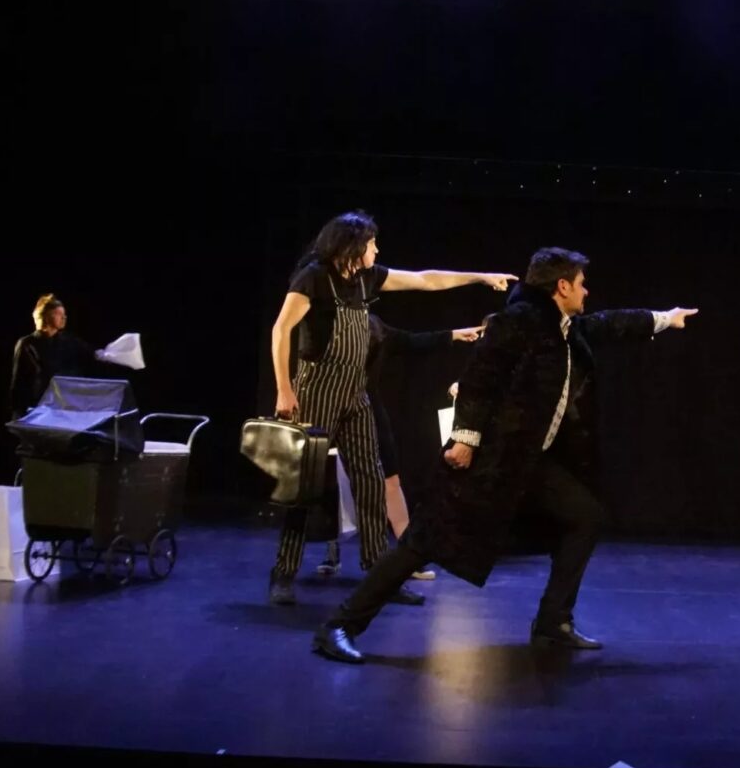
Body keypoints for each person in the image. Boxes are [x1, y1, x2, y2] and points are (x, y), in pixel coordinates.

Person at [314, 247, 698, 663]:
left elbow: (610, 324)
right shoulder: (519, 322)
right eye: (581, 284)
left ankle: (553, 622)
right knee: (422, 542)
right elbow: (479, 377)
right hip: (488, 461)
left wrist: (665, 318)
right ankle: (339, 625)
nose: (586, 291)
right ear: (562, 286)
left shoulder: (563, 328)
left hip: (528, 463)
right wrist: (464, 439)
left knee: (585, 516)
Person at [267, 209, 516, 605]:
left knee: (371, 482)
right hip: (317, 391)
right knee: (305, 486)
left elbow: (426, 280)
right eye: (372, 244)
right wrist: (284, 389)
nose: (377, 250)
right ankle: (283, 571)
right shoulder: (314, 277)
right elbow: (281, 329)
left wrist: (480, 277)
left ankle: (378, 576)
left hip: (355, 393)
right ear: (353, 246)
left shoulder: (367, 278)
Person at [313, 314, 484, 581]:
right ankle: (332, 550)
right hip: (331, 406)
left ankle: (406, 558)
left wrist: (453, 334)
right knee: (332, 478)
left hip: (368, 407)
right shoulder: (333, 323)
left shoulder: (373, 324)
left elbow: (411, 341)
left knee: (390, 480)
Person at [9, 294, 116, 418]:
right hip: (37, 408)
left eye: (64, 314)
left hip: (64, 407)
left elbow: (92, 353)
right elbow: (19, 380)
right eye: (58, 314)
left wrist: (111, 355)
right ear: (46, 317)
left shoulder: (69, 341)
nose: (64, 317)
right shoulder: (27, 344)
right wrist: (17, 411)